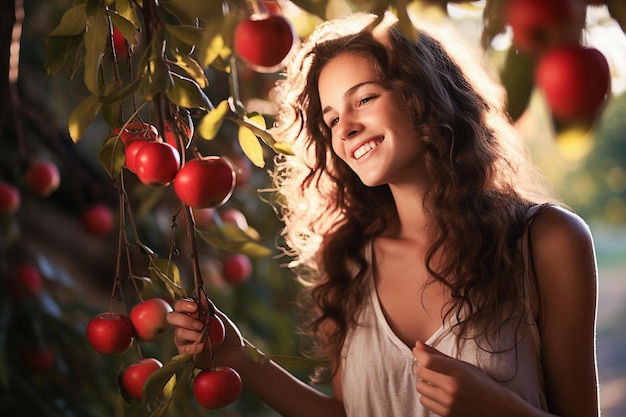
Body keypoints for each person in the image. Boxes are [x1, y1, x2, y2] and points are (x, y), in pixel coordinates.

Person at [167, 12, 600, 417]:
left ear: (425, 95)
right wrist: (239, 358)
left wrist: (496, 408)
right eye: (331, 118)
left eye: (365, 99)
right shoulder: (348, 261)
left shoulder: (546, 240)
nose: (346, 128)